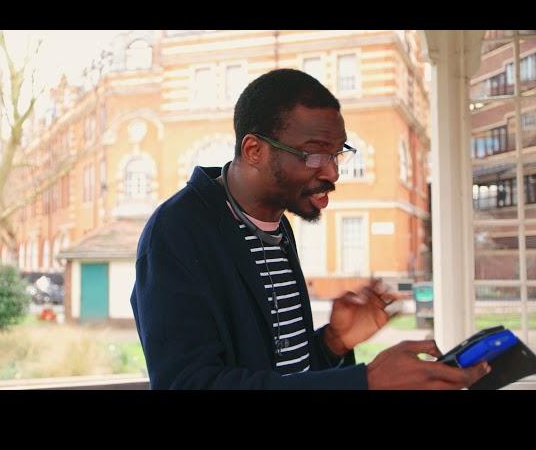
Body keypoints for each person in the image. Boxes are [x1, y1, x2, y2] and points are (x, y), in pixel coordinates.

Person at [130, 68, 489, 389]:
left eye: (336, 155)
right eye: (314, 154)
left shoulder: (278, 226)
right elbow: (189, 383)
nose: (332, 172)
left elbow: (286, 376)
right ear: (254, 150)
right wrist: (364, 382)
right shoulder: (178, 231)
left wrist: (333, 342)